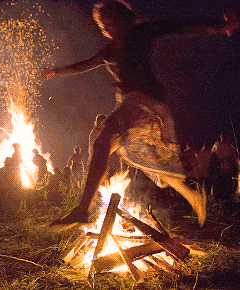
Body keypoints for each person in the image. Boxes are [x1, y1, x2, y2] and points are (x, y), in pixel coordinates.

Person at [42, 1, 239, 229]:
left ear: (122, 18)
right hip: (131, 106)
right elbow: (85, 64)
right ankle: (194, 197)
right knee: (150, 160)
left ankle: (81, 209)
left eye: (111, 22)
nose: (107, 28)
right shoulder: (109, 50)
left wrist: (219, 25)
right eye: (102, 25)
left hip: (145, 103)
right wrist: (56, 71)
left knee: (103, 142)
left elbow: (182, 26)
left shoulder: (141, 32)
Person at [211, 133, 239, 201]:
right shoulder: (231, 147)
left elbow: (212, 158)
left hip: (220, 171)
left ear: (221, 137)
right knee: (227, 188)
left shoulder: (216, 146)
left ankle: (220, 202)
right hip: (228, 171)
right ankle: (227, 201)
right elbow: (234, 159)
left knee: (220, 188)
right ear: (227, 137)